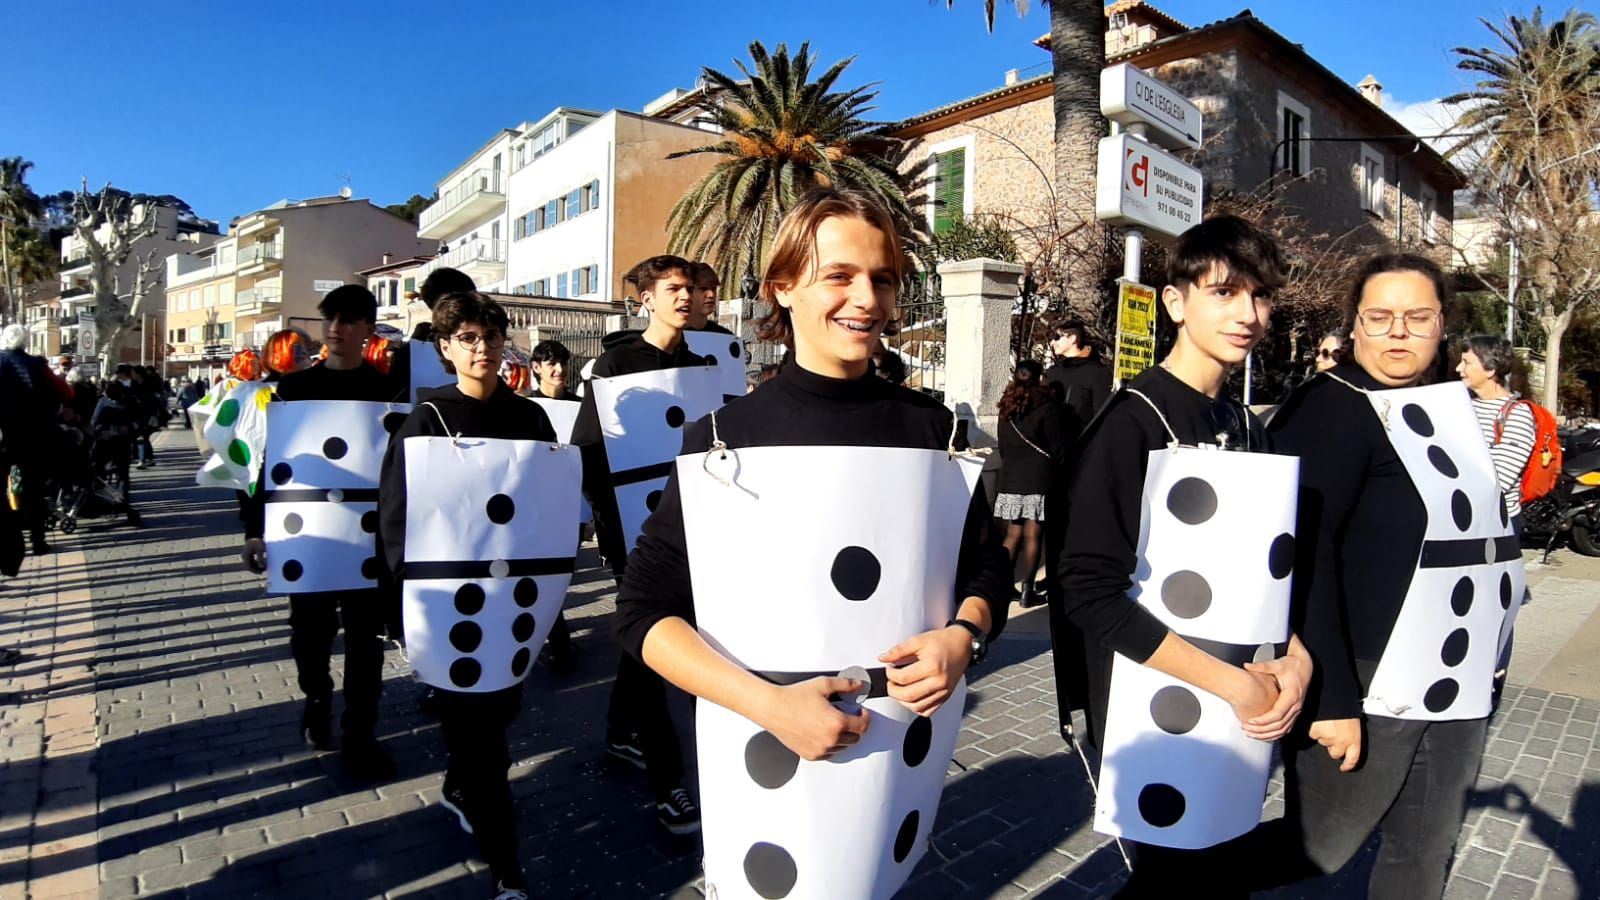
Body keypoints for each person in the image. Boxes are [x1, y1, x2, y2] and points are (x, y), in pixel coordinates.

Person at [614, 188, 1010, 886]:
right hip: (765, 768)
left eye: (882, 278)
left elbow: (985, 568)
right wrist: (768, 705)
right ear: (784, 287)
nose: (867, 298)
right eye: (840, 275)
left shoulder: (932, 432)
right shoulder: (722, 441)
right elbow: (642, 613)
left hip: (896, 777)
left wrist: (963, 638)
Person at [1055, 216, 1312, 898]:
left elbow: (1270, 570)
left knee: (1216, 874)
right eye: (1225, 293)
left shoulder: (1244, 424)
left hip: (1243, 702)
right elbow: (1085, 589)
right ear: (1175, 302)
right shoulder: (1132, 421)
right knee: (1180, 878)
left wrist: (1295, 656)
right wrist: (1230, 684)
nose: (1248, 314)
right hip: (1160, 707)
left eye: (1260, 296)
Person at [1264, 254, 1514, 899]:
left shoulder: (1446, 408)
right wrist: (1333, 701)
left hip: (1457, 677)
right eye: (1380, 318)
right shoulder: (1329, 408)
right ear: (1354, 326)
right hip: (1370, 678)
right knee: (1320, 845)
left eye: (1417, 317)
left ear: (1442, 327)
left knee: (1425, 851)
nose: (1398, 333)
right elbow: (1302, 562)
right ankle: (1167, 882)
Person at [379, 291, 555, 900]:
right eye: (469, 339)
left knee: (498, 715)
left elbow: (548, 516)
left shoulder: (531, 418)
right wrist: (408, 610)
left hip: (515, 606)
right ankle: (507, 870)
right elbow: (396, 521)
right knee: (484, 742)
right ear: (445, 348)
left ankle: (460, 786)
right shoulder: (426, 422)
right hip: (450, 605)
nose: (483, 349)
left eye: (492, 336)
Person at [239, 286, 397, 780]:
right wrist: (254, 530)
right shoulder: (293, 390)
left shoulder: (387, 393)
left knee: (366, 643)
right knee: (309, 637)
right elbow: (267, 467)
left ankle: (360, 732)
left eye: (349, 320)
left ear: (368, 329)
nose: (336, 329)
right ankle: (316, 695)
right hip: (305, 539)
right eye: (330, 319)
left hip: (368, 543)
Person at [571, 254, 704, 833]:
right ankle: (669, 783)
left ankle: (620, 733)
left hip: (702, 531)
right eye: (671, 288)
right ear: (645, 297)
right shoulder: (615, 364)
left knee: (644, 644)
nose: (684, 296)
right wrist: (611, 528)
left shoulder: (705, 365)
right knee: (656, 651)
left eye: (689, 288)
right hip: (637, 537)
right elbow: (588, 450)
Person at [526, 339, 580, 674]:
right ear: (536, 368)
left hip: (572, 503)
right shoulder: (525, 408)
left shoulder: (580, 404)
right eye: (550, 364)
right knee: (547, 574)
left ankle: (557, 640)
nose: (558, 370)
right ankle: (558, 642)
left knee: (562, 575)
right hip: (537, 505)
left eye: (561, 363)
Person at [995, 360, 1067, 609]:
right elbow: (1058, 445)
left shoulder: (1007, 406)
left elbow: (1002, 446)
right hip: (1039, 476)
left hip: (1011, 476)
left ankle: (1002, 587)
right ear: (1039, 378)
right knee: (1034, 533)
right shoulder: (1048, 405)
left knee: (1012, 534)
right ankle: (1028, 590)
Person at [0, 324, 70, 554]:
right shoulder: (38, 365)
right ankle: (38, 541)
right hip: (33, 436)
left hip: (3, 435)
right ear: (26, 342)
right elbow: (66, 392)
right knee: (34, 491)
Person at [1044, 318, 1112, 437]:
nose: (1052, 343)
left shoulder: (1098, 373)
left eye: (1057, 337)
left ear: (1072, 339)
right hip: (1052, 447)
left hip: (1083, 447)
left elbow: (1103, 419)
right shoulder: (1052, 373)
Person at [687, 261, 734, 334]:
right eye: (703, 289)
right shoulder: (673, 335)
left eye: (713, 288)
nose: (711, 294)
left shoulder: (724, 336)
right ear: (689, 291)